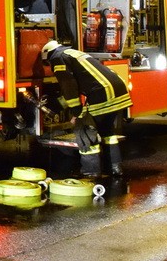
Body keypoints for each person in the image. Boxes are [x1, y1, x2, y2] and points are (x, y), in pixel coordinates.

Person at [40, 39, 132, 177]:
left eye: (47, 63)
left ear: (47, 56)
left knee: (85, 131)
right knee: (107, 132)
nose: (49, 67)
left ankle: (91, 172)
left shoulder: (58, 58)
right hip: (117, 91)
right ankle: (115, 168)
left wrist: (77, 113)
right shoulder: (71, 53)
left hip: (101, 94)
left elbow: (69, 86)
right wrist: (58, 104)